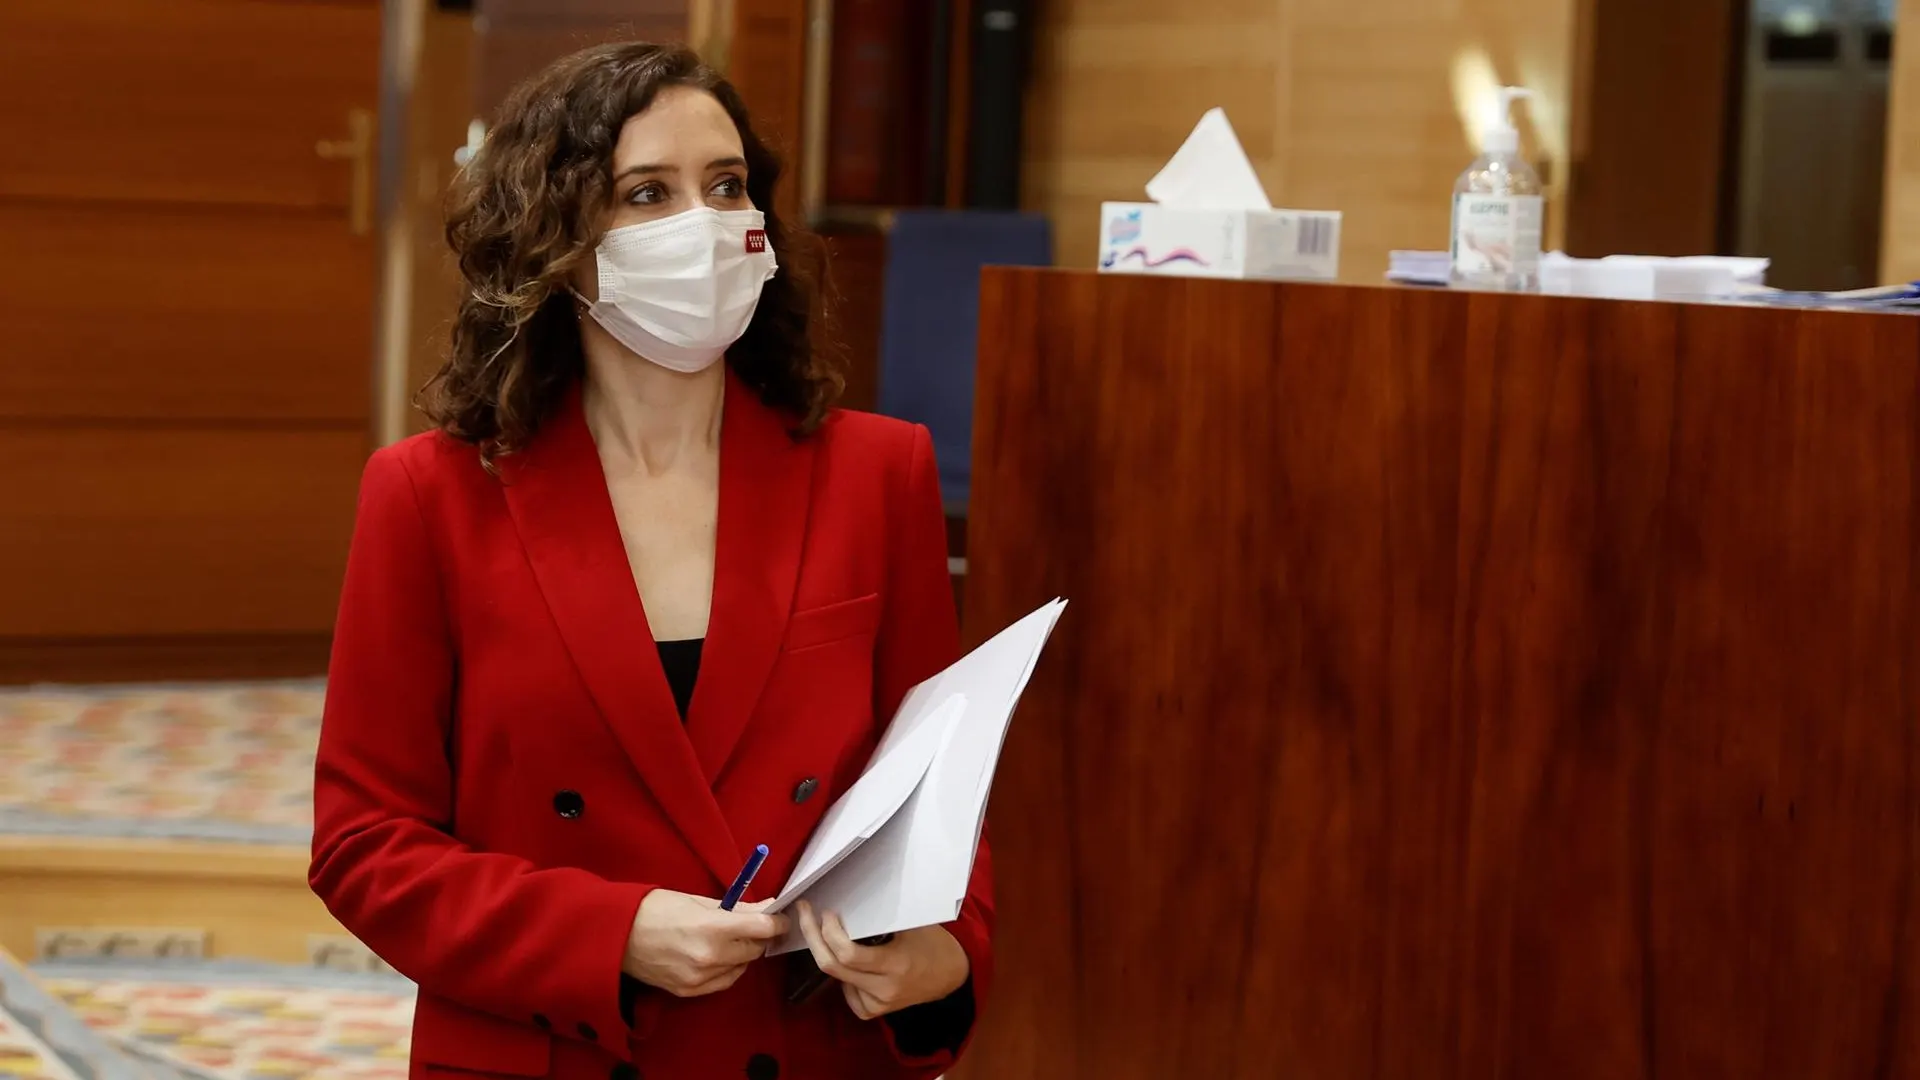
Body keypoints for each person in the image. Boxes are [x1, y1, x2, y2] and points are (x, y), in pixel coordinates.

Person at [307, 42, 990, 1080]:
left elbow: (941, 797)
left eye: (727, 186)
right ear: (556, 238)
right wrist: (609, 932)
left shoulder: (879, 471)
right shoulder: (427, 497)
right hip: (552, 1050)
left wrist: (948, 954)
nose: (706, 226)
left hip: (805, 1047)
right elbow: (365, 845)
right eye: (647, 193)